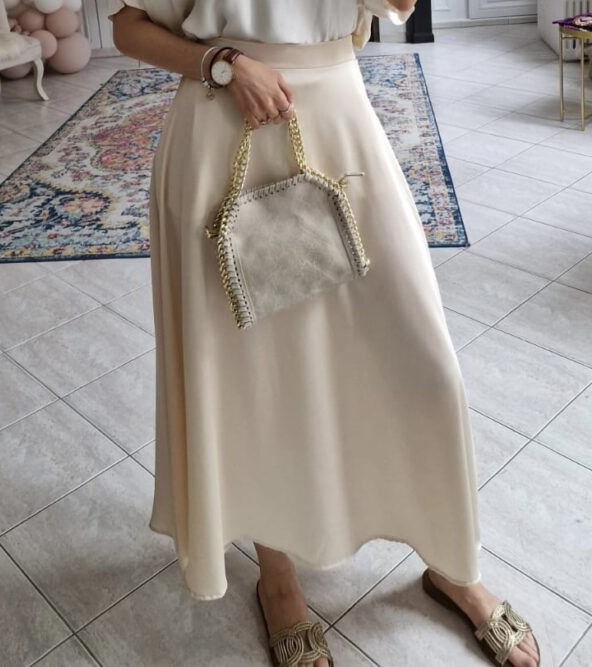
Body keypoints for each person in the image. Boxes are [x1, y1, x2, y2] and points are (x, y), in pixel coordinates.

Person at [108, 2, 541, 666]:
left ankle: (453, 560)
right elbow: (128, 25)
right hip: (222, 123)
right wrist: (221, 63)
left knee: (423, 361)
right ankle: (278, 576)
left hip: (339, 118)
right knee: (257, 374)